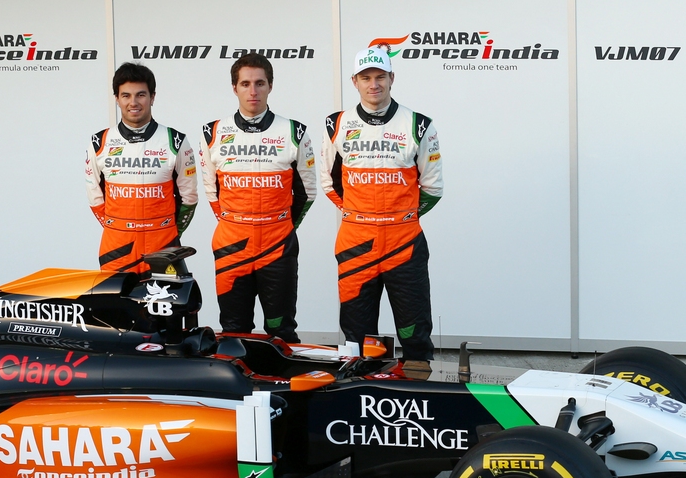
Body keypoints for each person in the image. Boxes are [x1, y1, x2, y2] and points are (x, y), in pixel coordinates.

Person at [319, 47, 443, 378]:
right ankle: (358, 388)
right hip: (356, 240)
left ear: (391, 79)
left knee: (414, 331)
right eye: (366, 78)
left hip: (404, 240)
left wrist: (400, 217)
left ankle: (418, 390)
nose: (373, 85)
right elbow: (329, 183)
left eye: (380, 77)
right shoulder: (337, 124)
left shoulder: (418, 124)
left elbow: (432, 189)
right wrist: (360, 213)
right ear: (355, 82)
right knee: (356, 333)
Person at [198, 52, 315, 341]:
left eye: (260, 83)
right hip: (232, 242)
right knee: (234, 327)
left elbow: (307, 192)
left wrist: (281, 224)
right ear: (234, 88)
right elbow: (212, 193)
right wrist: (240, 223)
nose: (253, 91)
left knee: (281, 328)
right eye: (245, 84)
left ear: (270, 86)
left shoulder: (294, 131)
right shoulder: (213, 132)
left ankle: (284, 384)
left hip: (278, 243)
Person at [86, 63, 199, 273]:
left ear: (152, 97)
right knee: (116, 307)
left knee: (169, 305)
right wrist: (118, 228)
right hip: (117, 248)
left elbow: (189, 198)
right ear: (117, 99)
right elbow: (95, 197)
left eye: (141, 95)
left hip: (163, 246)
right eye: (126, 95)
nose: (133, 102)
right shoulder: (99, 142)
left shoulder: (175, 141)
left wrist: (171, 232)